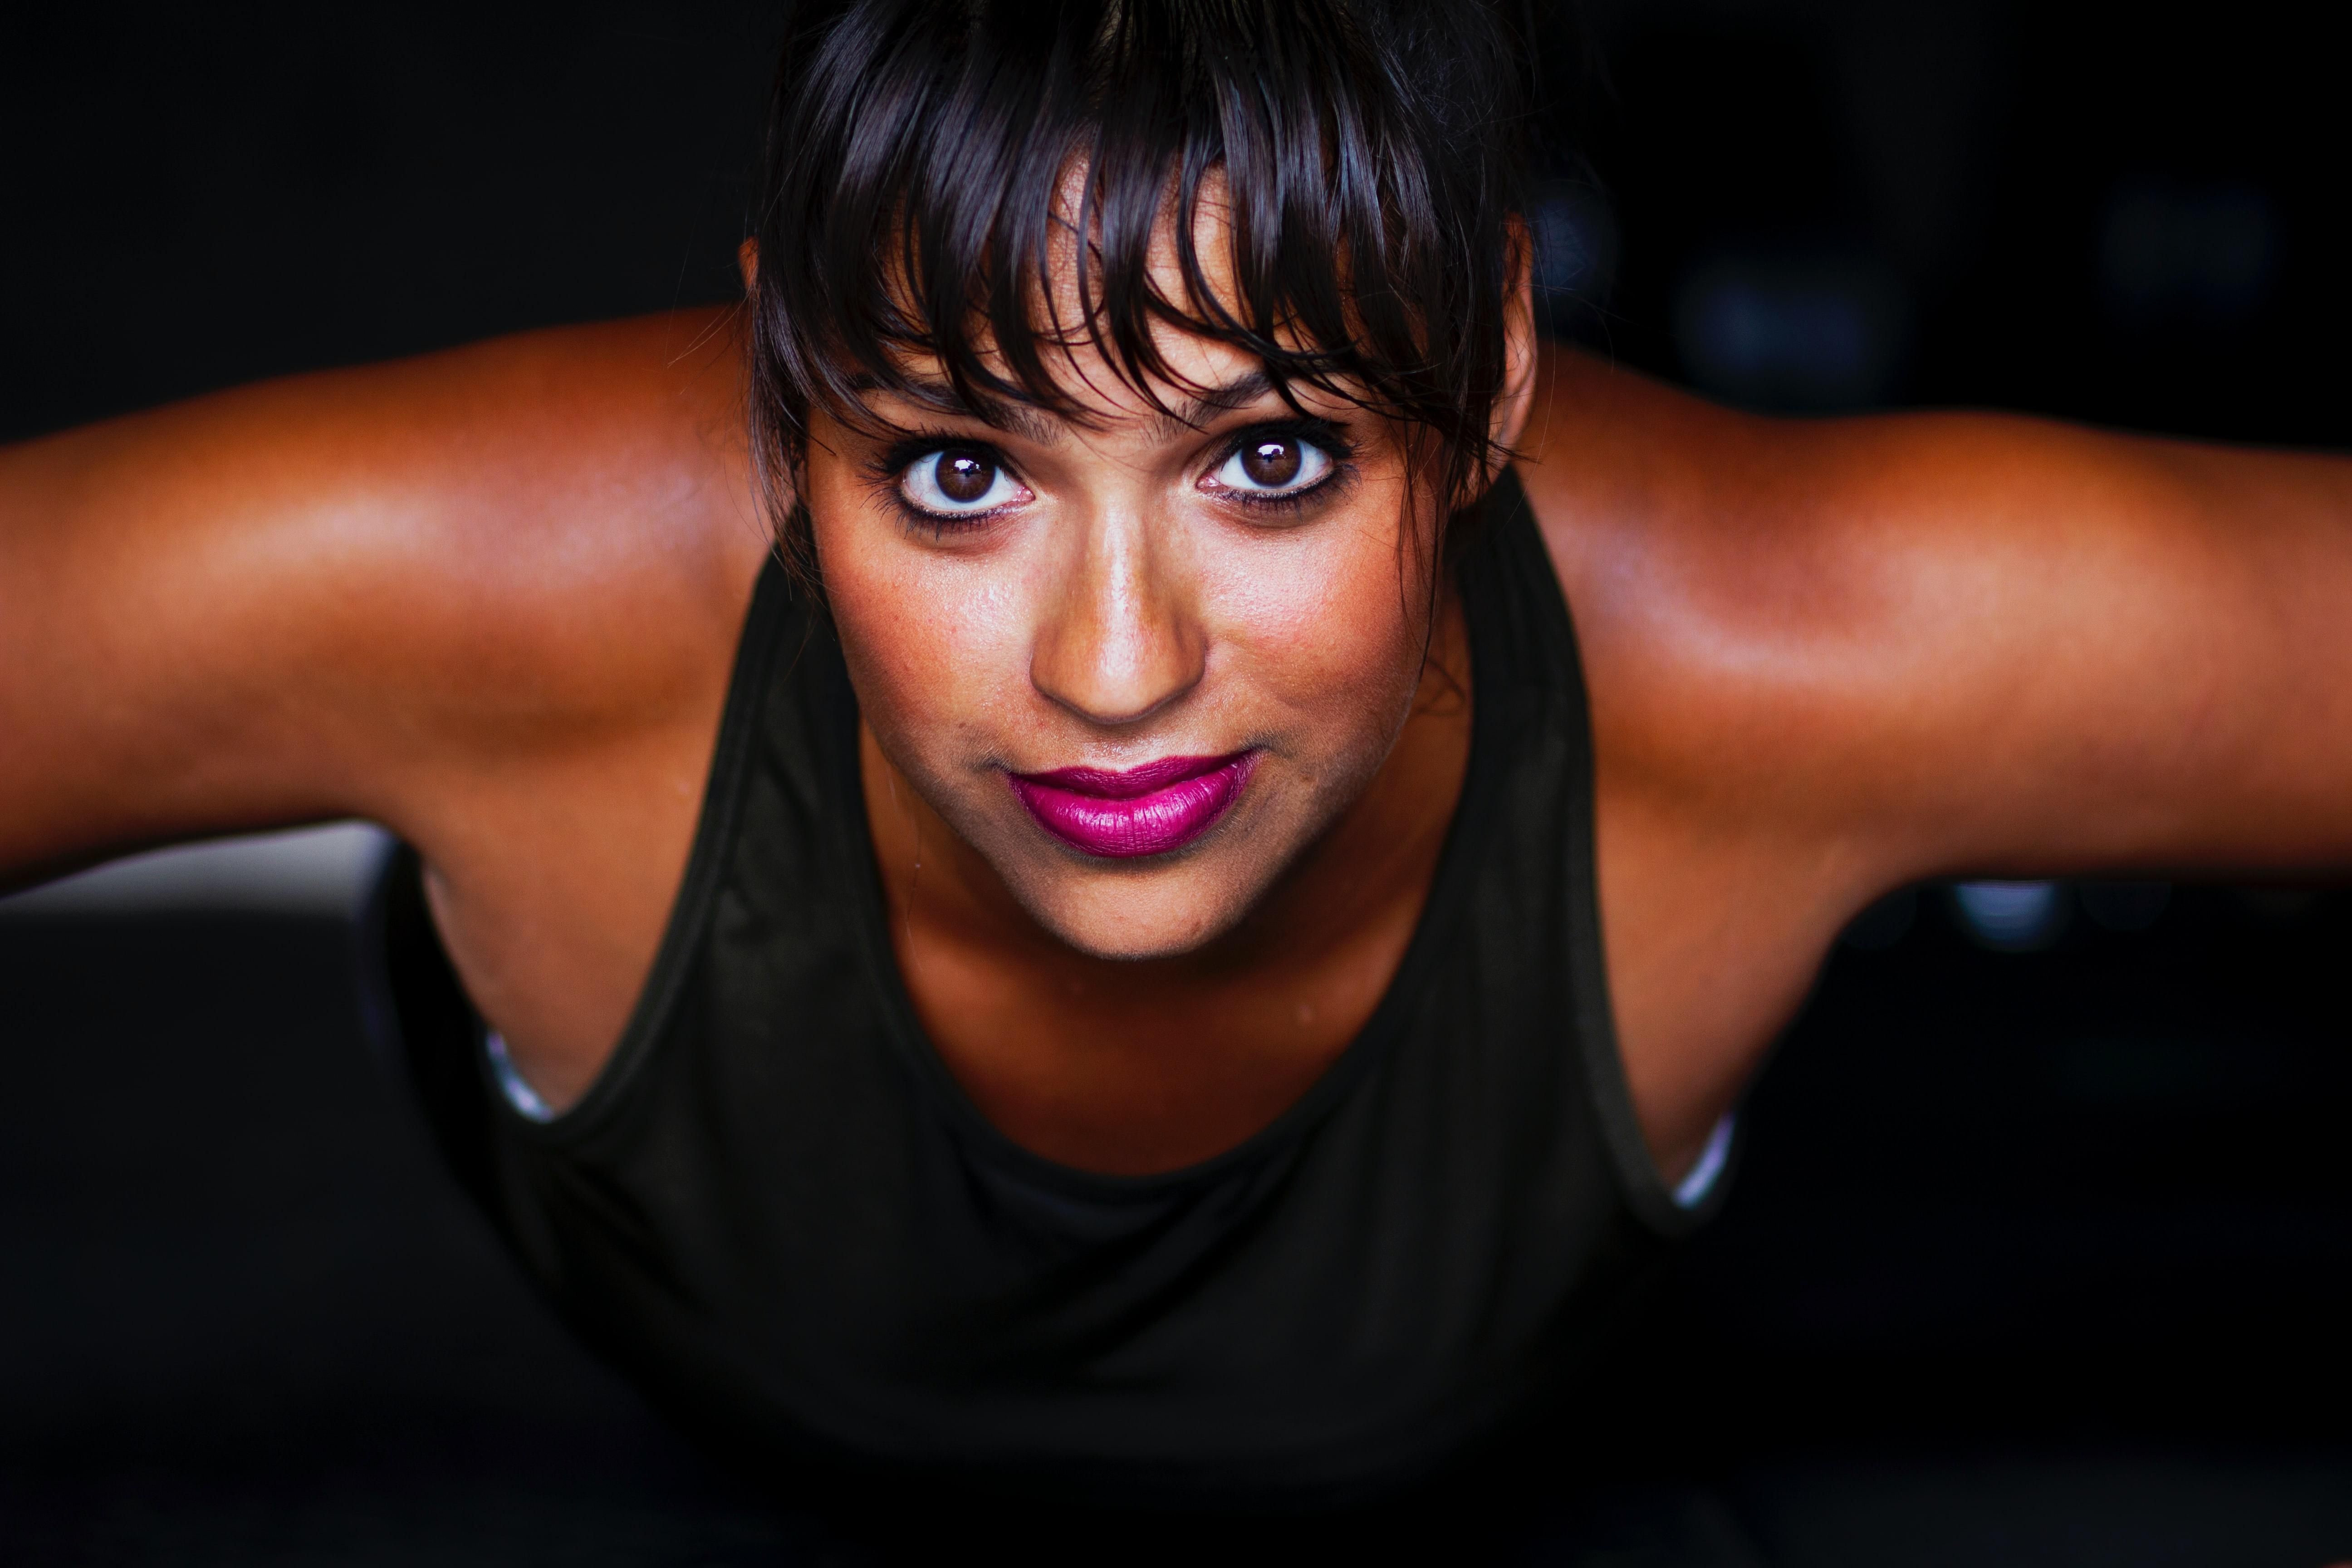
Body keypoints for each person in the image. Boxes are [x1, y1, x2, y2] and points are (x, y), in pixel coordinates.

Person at [6, 0, 2351, 1546]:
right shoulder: (488, 594)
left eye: (1275, 455)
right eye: (952, 474)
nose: (1115, 670)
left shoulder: (1789, 641)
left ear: (1504, 376)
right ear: (785, 389)